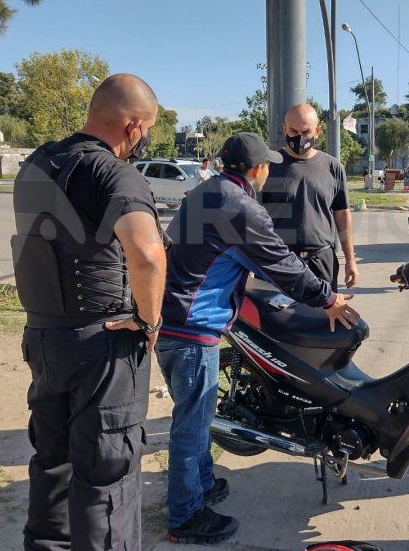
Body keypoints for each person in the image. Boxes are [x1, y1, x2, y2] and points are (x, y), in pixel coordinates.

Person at [150, 131, 360, 544]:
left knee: (199, 415)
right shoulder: (240, 206)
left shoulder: (207, 191)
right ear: (259, 169)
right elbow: (279, 263)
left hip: (177, 320)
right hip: (192, 329)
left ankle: (202, 484)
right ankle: (185, 517)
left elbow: (252, 259)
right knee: (191, 425)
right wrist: (327, 298)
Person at [12, 74, 167, 551]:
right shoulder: (114, 173)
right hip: (102, 346)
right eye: (146, 132)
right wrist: (149, 321)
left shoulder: (37, 164)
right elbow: (147, 254)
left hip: (44, 339)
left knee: (52, 463)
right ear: (133, 126)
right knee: (107, 475)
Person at [261, 103, 358, 290]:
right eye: (293, 130)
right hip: (278, 263)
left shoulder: (333, 167)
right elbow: (250, 215)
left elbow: (342, 215)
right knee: (278, 318)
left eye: (306, 132)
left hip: (322, 262)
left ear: (318, 131)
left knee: (324, 317)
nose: (299, 137)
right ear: (284, 129)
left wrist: (350, 260)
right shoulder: (267, 166)